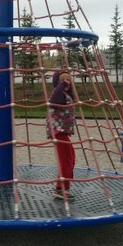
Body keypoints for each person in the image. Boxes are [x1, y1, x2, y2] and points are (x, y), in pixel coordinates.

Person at [46, 70, 76, 200]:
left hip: (62, 132)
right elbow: (54, 101)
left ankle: (61, 187)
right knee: (66, 160)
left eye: (68, 79)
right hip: (58, 131)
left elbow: (72, 96)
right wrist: (62, 84)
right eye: (63, 80)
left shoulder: (65, 95)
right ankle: (61, 189)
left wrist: (67, 86)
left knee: (70, 158)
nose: (67, 82)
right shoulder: (57, 94)